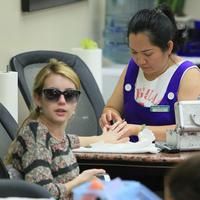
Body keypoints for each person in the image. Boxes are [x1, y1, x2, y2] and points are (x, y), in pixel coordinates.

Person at [5, 58, 129, 200]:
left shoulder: (55, 135)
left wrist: (102, 139)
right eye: (52, 94)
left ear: (76, 102)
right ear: (38, 99)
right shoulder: (36, 134)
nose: (62, 101)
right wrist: (81, 180)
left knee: (125, 190)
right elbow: (41, 193)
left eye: (70, 95)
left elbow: (71, 140)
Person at [100, 4, 200, 142]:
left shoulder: (188, 75)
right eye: (134, 52)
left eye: (148, 53)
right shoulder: (132, 69)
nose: (140, 61)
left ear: (168, 47)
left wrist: (138, 130)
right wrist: (109, 115)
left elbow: (189, 131)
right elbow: (112, 107)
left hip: (170, 160)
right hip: (128, 153)